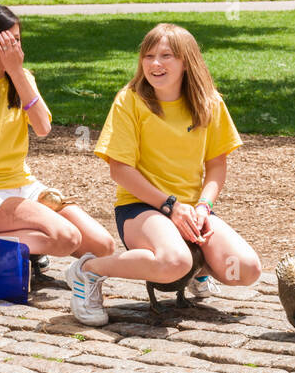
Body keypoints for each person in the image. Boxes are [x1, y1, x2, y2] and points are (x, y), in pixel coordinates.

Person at [68, 23, 261, 327]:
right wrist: (170, 205)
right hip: (141, 208)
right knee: (174, 262)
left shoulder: (209, 102)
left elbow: (216, 165)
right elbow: (119, 169)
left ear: (187, 62)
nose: (155, 64)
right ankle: (88, 270)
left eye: (166, 56)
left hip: (191, 211)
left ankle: (197, 269)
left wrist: (203, 207)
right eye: (148, 56)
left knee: (247, 269)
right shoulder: (130, 100)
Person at [0, 4, 114, 272]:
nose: (12, 48)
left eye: (16, 40)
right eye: (4, 41)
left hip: (23, 184)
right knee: (66, 238)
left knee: (103, 246)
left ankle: (23, 247)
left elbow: (42, 128)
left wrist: (16, 73)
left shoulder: (22, 78)